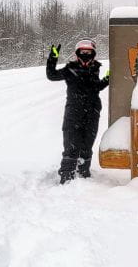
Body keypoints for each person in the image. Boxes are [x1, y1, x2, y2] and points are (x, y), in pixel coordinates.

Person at [46, 39, 110, 184]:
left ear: (93, 54)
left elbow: (95, 88)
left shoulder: (95, 68)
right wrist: (53, 58)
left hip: (92, 112)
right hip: (73, 113)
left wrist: (106, 80)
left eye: (89, 52)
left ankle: (83, 177)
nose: (86, 54)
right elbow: (52, 75)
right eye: (83, 52)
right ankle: (67, 178)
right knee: (71, 146)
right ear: (77, 53)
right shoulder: (70, 69)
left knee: (87, 145)